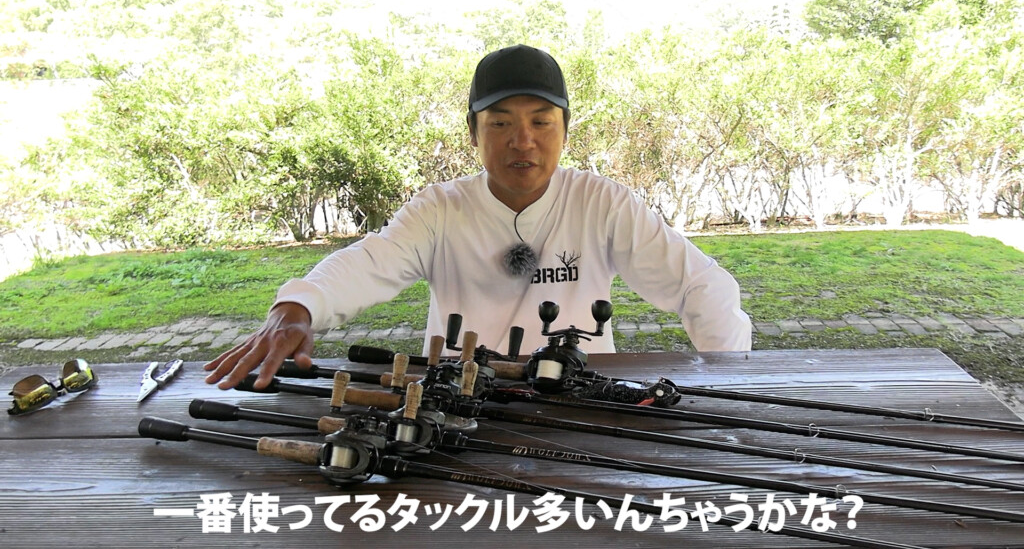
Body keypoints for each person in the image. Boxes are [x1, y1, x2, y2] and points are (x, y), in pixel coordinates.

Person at [205, 44, 752, 390]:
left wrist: (731, 383)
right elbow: (369, 261)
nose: (523, 141)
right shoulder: (440, 209)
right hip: (460, 396)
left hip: (580, 396)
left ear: (565, 130)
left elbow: (702, 286)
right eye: (500, 123)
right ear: (473, 133)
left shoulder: (601, 202)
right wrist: (299, 304)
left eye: (542, 121)